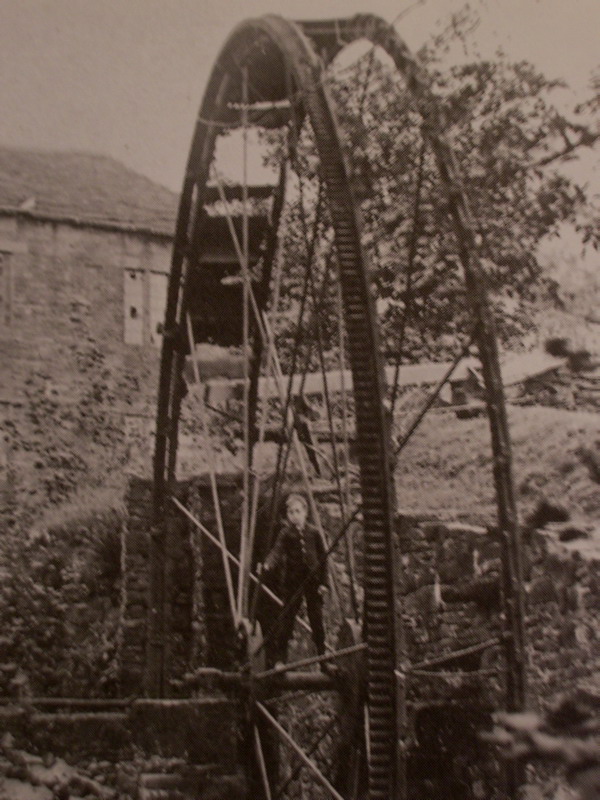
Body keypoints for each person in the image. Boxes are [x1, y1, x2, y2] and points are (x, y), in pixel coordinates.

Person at [261, 493, 328, 666]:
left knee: (317, 621)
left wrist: (324, 583)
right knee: (287, 620)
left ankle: (323, 659)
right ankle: (281, 659)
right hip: (293, 582)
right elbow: (277, 551)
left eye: (297, 511)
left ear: (305, 512)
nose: (294, 516)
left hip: (313, 583)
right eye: (291, 512)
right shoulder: (286, 533)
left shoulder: (314, 533)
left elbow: (323, 559)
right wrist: (268, 564)